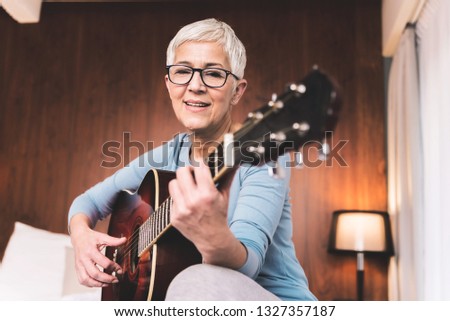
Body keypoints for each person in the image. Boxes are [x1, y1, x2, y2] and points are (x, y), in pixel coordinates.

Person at [68, 18, 317, 301]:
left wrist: (212, 235)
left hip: (274, 303)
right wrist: (80, 237)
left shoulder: (259, 156)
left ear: (237, 91)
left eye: (213, 74)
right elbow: (86, 203)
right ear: (169, 84)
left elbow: (248, 264)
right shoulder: (163, 158)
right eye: (183, 71)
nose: (195, 85)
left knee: (197, 278)